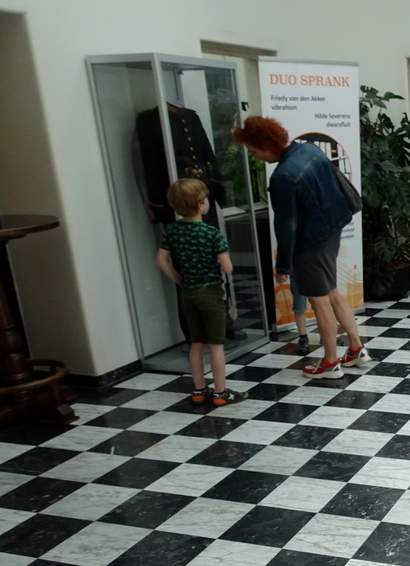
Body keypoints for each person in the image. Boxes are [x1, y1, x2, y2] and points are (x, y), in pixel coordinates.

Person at [233, 116, 370, 376]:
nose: (256, 156)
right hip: (333, 229)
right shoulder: (309, 149)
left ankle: (330, 363)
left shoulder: (283, 176)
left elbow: (286, 226)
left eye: (253, 150)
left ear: (264, 145)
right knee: (331, 292)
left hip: (311, 243)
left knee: (319, 302)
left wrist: (282, 265)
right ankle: (356, 348)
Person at [156, 178, 248, 407]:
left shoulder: (172, 231)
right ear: (200, 205)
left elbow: (161, 260)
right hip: (210, 292)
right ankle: (220, 392)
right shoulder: (211, 233)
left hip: (188, 291)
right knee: (216, 345)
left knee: (196, 343)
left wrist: (179, 279)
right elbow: (228, 267)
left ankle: (199, 390)